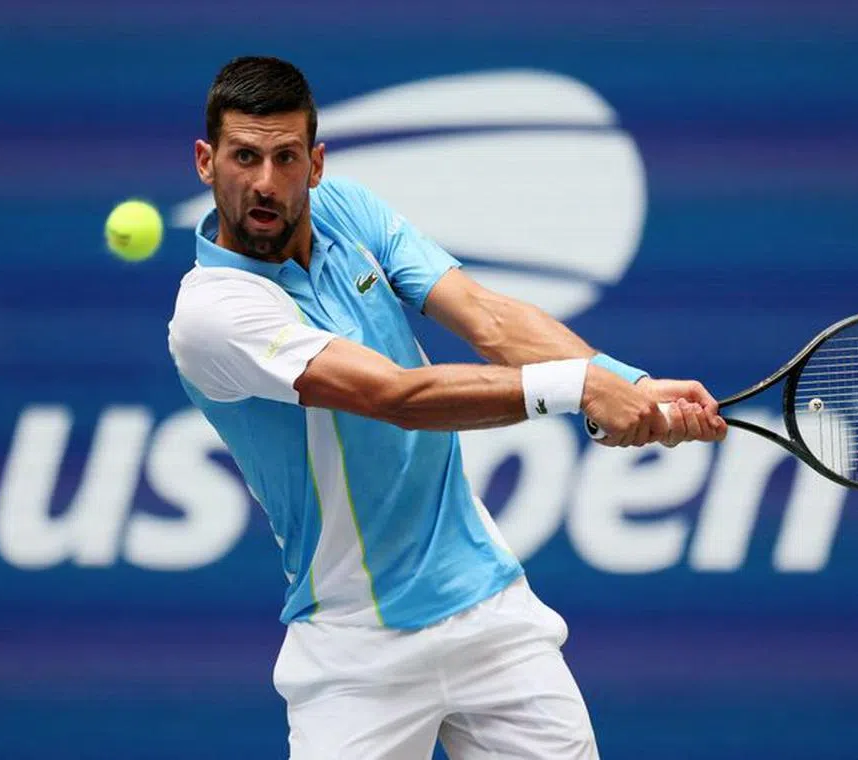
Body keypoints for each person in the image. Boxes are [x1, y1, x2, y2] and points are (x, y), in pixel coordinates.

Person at [167, 55, 727, 760]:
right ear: (204, 160)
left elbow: (488, 319)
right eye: (244, 157)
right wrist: (580, 389)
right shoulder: (212, 311)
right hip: (353, 653)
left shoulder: (347, 210)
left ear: (315, 164)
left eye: (285, 159)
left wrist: (628, 384)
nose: (265, 183)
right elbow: (395, 397)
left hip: (489, 615)